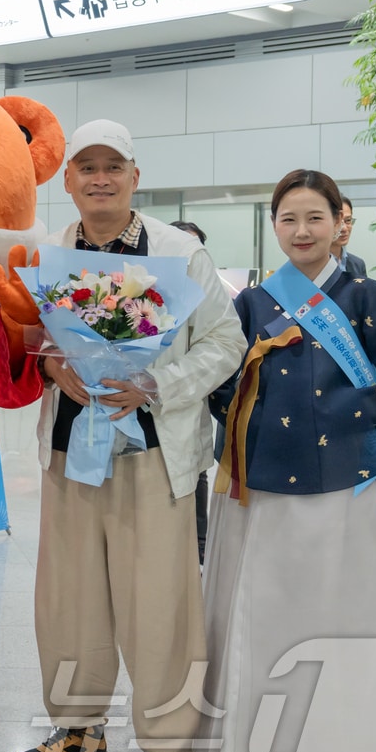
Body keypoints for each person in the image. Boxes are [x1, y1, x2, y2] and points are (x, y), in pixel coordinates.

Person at [9, 120, 244, 752]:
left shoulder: (178, 254)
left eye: (114, 167)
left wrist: (155, 383)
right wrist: (56, 368)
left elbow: (224, 343)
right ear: (69, 181)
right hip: (71, 452)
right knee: (69, 598)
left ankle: (167, 749)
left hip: (154, 451)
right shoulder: (48, 253)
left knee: (160, 602)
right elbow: (32, 337)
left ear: (135, 178)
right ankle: (77, 730)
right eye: (87, 168)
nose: (101, 178)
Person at [190, 170, 376, 752]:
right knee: (266, 619)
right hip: (265, 489)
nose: (302, 231)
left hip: (353, 489)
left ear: (339, 221)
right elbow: (221, 387)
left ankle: (355, 748)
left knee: (350, 622)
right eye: (288, 219)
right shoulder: (250, 304)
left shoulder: (367, 296)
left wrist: (335, 415)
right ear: (274, 226)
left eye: (314, 218)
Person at [170, 221, 212, 565]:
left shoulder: (209, 297)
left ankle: (200, 545)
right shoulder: (147, 296)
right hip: (155, 408)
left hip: (193, 399)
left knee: (197, 472)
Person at [332, 196, 368, 277]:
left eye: (348, 220)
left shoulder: (358, 264)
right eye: (337, 222)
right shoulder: (312, 264)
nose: (344, 228)